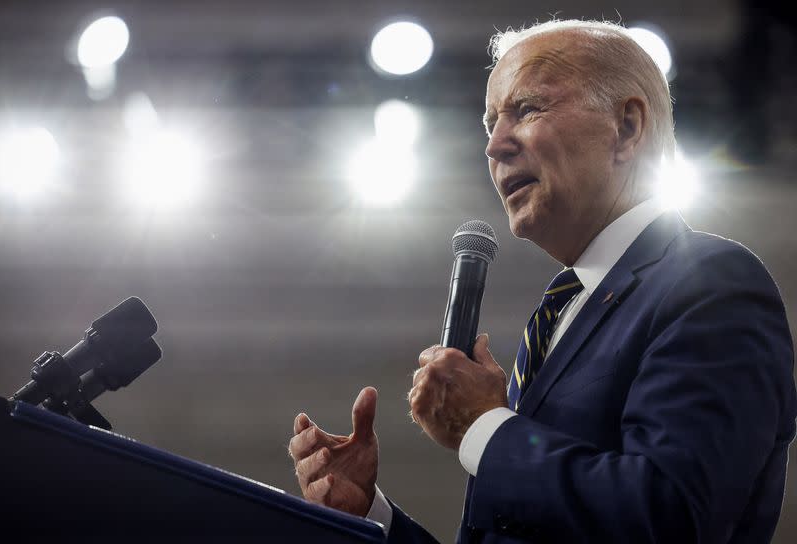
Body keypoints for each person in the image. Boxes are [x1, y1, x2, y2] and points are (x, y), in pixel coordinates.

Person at [288, 19, 796, 543]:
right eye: (490, 125)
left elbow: (672, 514)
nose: (495, 146)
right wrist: (371, 518)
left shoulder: (711, 284)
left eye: (526, 109)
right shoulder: (561, 315)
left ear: (626, 128)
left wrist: (483, 426)